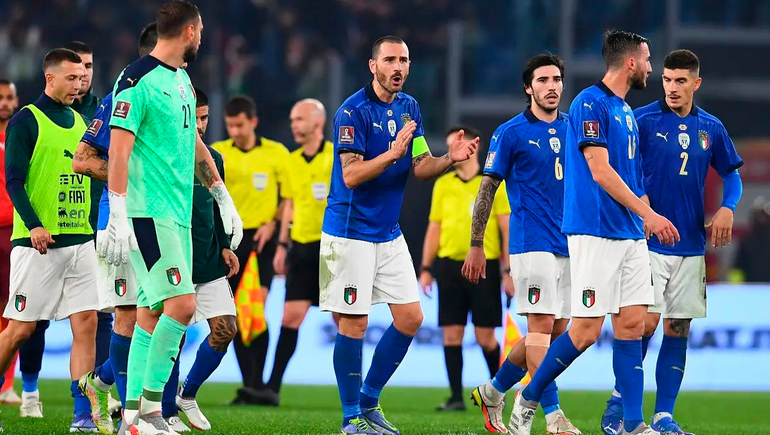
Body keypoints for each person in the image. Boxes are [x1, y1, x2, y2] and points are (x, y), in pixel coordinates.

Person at [507, 30, 679, 435]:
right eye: (648, 59)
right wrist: (647, 215)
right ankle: (530, 395)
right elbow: (599, 171)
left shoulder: (624, 111)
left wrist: (646, 215)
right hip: (595, 233)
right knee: (584, 332)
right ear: (631, 62)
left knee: (633, 325)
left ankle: (634, 424)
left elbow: (632, 178)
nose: (652, 68)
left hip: (631, 235)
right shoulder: (590, 103)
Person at [322, 35, 478, 435]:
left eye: (404, 60)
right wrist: (392, 153)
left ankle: (370, 401)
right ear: (372, 66)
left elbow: (421, 165)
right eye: (389, 59)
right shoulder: (351, 113)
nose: (398, 67)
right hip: (349, 232)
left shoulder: (410, 108)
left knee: (410, 318)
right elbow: (351, 175)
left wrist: (449, 159)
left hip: (388, 234)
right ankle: (349, 417)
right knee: (353, 325)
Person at [98, 2, 242, 434]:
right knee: (181, 306)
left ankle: (129, 419)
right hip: (147, 214)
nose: (201, 38)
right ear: (191, 31)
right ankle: (152, 410)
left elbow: (193, 143)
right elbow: (119, 148)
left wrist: (220, 192)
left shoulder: (181, 79)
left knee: (150, 313)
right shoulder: (135, 79)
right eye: (201, 31)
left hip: (176, 215)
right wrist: (118, 211)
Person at [600, 49, 743, 435]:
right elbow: (614, 167)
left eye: (681, 81)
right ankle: (620, 408)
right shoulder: (641, 120)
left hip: (691, 244)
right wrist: (640, 198)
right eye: (666, 79)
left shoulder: (710, 127)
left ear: (696, 83)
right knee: (642, 324)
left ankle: (663, 415)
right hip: (645, 242)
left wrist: (728, 207)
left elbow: (732, 175)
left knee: (678, 328)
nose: (672, 87)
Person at [73, 22, 197, 434]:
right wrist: (128, 187)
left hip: (160, 217)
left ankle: (116, 395)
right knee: (130, 316)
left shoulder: (175, 86)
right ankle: (134, 412)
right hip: (122, 224)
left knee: (152, 311)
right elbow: (83, 159)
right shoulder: (124, 94)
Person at [463, 54, 580, 435]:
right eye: (543, 80)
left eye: (557, 79)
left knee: (553, 334)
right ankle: (553, 415)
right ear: (528, 88)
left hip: (570, 242)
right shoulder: (510, 132)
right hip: (531, 242)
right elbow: (487, 188)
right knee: (542, 329)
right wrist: (477, 243)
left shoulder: (575, 127)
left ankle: (493, 390)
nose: (552, 86)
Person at [1, 48, 99, 432]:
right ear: (50, 78)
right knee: (20, 330)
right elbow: (13, 180)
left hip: (80, 241)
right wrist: (34, 224)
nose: (79, 84)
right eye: (72, 78)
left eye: (82, 78)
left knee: (87, 324)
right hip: (35, 244)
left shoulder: (80, 121)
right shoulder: (27, 119)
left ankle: (82, 415)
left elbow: (88, 178)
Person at [419, 125, 512, 412]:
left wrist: (507, 271)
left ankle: (497, 392)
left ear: (475, 145)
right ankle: (456, 397)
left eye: (457, 143)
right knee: (451, 334)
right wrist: (425, 267)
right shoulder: (443, 184)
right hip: (449, 267)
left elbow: (505, 228)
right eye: (448, 146)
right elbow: (434, 228)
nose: (453, 151)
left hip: (485, 268)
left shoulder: (493, 182)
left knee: (485, 337)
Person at [211, 95, 289, 404]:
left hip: (261, 241)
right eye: (230, 124)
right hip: (230, 241)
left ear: (253, 122)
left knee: (252, 310)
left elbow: (289, 198)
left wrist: (275, 223)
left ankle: (257, 383)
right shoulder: (218, 153)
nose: (234, 131)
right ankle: (252, 385)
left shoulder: (275, 153)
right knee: (234, 315)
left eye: (239, 124)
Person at [174, 87, 240, 431]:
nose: (200, 125)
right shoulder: (165, 154)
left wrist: (227, 244)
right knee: (171, 335)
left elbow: (218, 206)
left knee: (226, 329)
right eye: (194, 117)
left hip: (209, 259)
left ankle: (187, 394)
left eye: (204, 117)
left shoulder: (214, 157)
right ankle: (105, 381)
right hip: (175, 258)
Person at [267, 98, 334, 403]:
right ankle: (272, 387)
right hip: (302, 248)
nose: (294, 125)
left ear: (318, 123)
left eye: (300, 119)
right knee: (290, 317)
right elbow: (290, 204)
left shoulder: (337, 156)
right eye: (293, 120)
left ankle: (359, 392)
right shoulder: (291, 161)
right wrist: (283, 244)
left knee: (345, 322)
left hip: (333, 249)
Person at [0, 79, 21, 407]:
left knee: (13, 310)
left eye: (9, 98)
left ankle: (6, 386)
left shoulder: (21, 136)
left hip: (11, 231)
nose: (4, 103)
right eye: (0, 98)